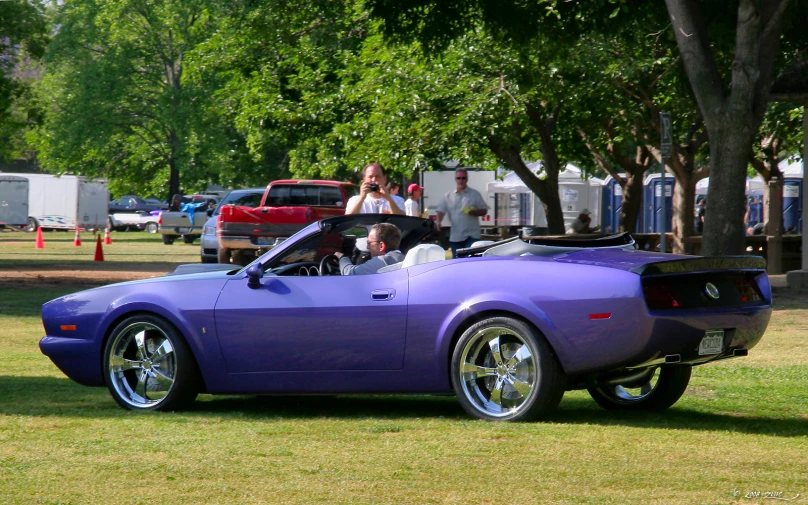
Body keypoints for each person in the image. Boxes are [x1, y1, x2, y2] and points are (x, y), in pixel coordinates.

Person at [435, 168, 490, 258]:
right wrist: (438, 222)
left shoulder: (474, 194)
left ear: (467, 179)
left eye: (463, 178)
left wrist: (474, 212)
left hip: (472, 235)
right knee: (457, 262)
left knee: (470, 260)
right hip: (456, 236)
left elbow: (484, 210)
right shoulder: (448, 196)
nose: (461, 181)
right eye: (458, 178)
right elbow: (441, 210)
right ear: (455, 179)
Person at [335, 223, 404, 275]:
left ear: (381, 246)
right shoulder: (405, 258)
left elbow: (350, 273)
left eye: (369, 243)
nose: (368, 247)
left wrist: (342, 258)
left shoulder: (381, 261)